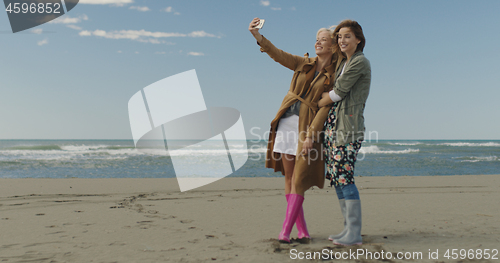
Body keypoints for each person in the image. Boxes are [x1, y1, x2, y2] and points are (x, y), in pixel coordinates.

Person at [248, 17, 342, 243]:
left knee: (299, 179)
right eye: (316, 40)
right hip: (286, 122)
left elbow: (325, 108)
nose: (318, 43)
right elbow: (278, 54)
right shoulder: (303, 63)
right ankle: (302, 231)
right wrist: (258, 36)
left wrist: (311, 135)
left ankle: (284, 231)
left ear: (332, 45)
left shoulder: (335, 75)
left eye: (323, 40)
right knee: (289, 177)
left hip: (306, 127)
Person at [317, 19, 371, 246]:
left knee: (345, 179)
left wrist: (321, 101)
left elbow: (337, 94)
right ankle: (348, 229)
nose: (341, 40)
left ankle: (355, 233)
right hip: (334, 130)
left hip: (348, 130)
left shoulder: (360, 62)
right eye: (339, 37)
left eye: (347, 36)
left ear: (358, 39)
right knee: (337, 179)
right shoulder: (343, 63)